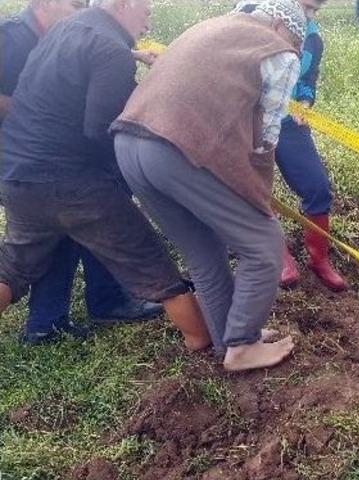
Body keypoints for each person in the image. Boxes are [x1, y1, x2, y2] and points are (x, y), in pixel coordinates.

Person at [0, 0, 211, 352]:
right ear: (122, 4)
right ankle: (203, 340)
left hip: (17, 175)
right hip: (73, 183)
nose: (149, 15)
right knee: (149, 260)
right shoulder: (111, 49)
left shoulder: (68, 28)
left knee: (13, 267)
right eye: (145, 7)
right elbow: (101, 128)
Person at [111, 0, 307, 371]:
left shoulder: (209, 27)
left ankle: (227, 341)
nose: (296, 51)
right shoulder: (279, 51)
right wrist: (260, 199)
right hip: (174, 149)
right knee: (264, 244)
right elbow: (266, 138)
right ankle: (242, 345)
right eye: (298, 42)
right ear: (285, 30)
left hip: (129, 143)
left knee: (203, 252)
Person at [236, 0, 347, 292]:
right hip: (250, 117)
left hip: (288, 122)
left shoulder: (313, 36)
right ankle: (280, 256)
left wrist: (306, 103)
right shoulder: (260, 12)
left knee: (317, 187)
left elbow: (309, 78)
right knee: (259, 187)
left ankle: (319, 259)